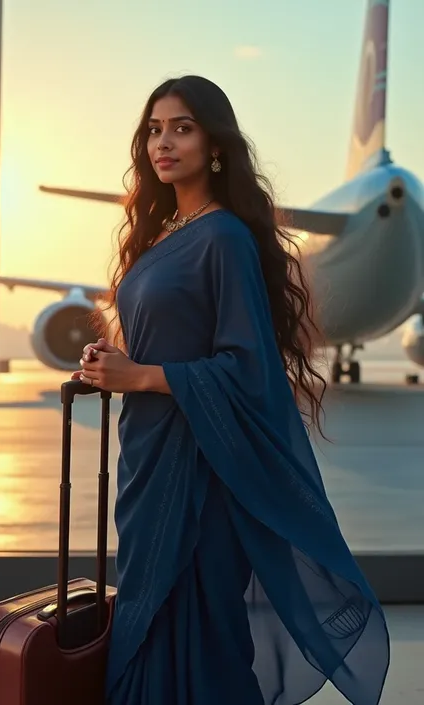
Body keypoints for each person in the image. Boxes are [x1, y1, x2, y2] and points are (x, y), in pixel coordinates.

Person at [72, 75, 390, 704]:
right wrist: (118, 357)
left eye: (182, 128)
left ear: (215, 144)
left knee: (202, 632)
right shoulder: (162, 234)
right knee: (147, 618)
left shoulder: (223, 237)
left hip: (204, 473)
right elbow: (168, 339)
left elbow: (248, 368)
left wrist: (140, 377)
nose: (164, 142)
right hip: (149, 459)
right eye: (155, 129)